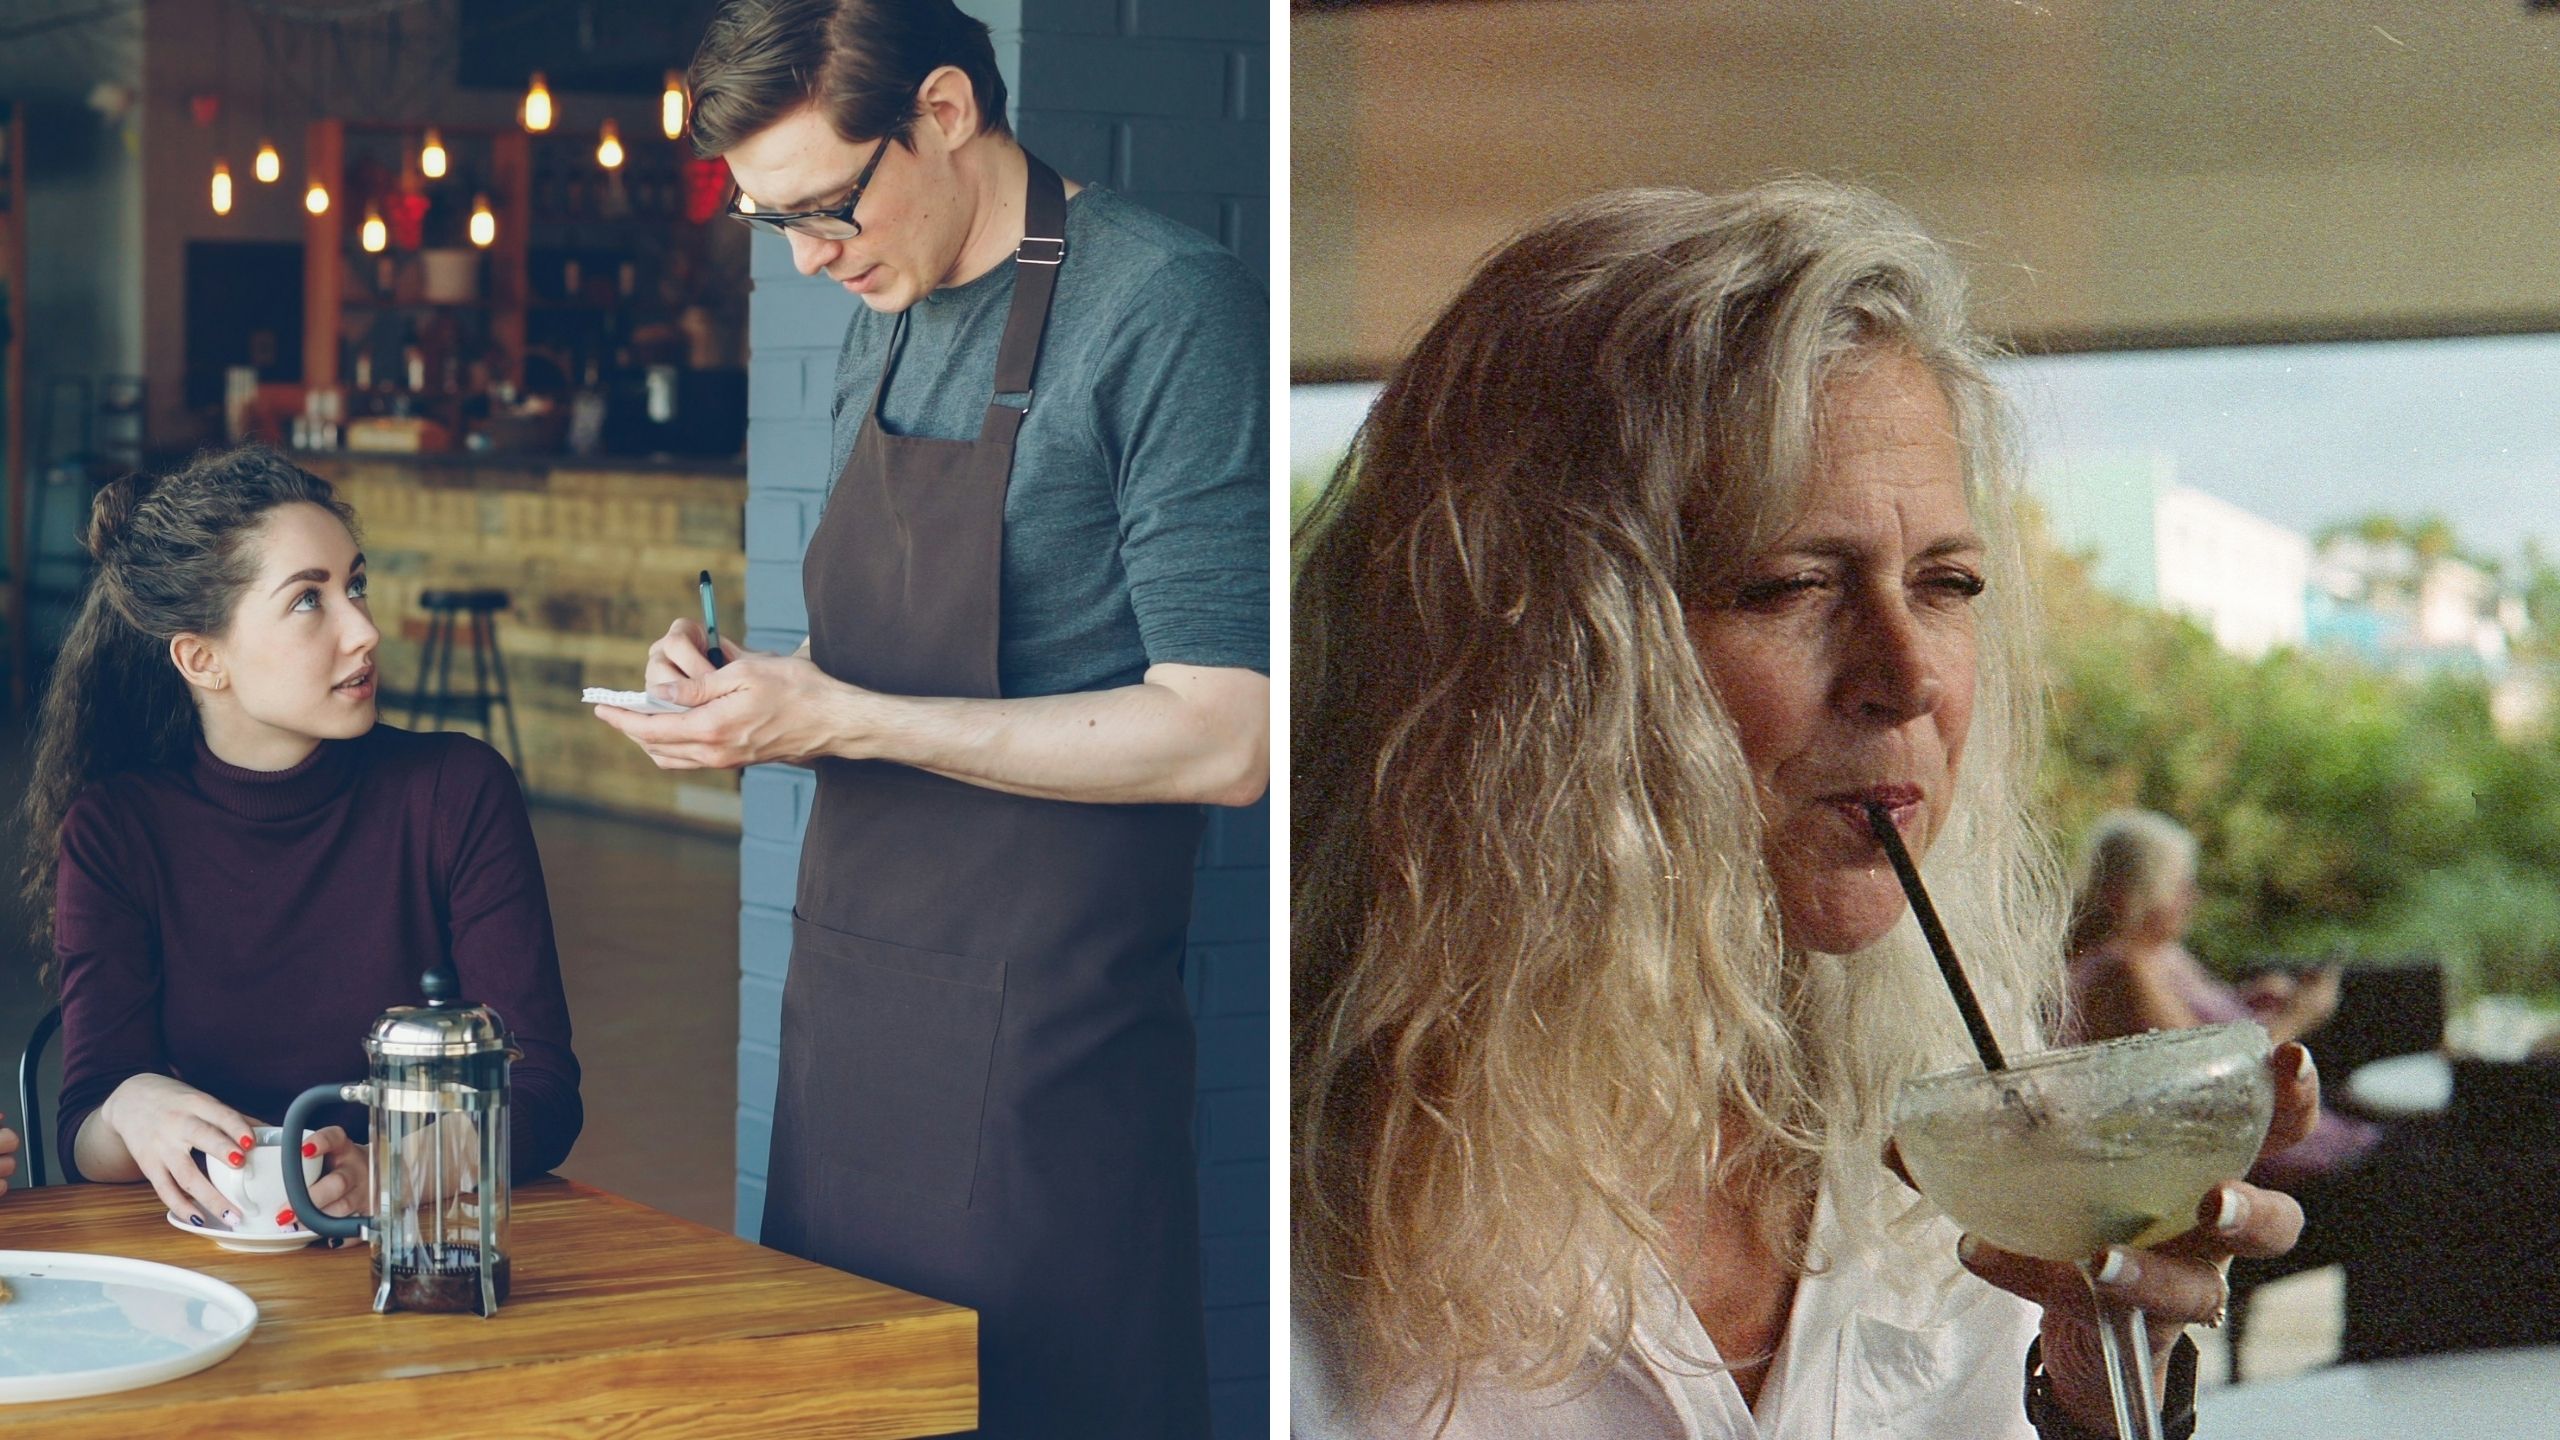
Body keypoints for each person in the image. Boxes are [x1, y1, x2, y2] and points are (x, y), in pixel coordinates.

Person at [1292, 182, 2318, 1438]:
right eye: (1787, 584)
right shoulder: (1244, 1192)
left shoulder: (1960, 1152)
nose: (1911, 677)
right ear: (1525, 661)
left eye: (1944, 584)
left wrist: (2091, 1402)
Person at [594, 3, 1267, 1435]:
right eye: (770, 224)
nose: (812, 258)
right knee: (842, 1396)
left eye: (829, 208)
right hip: (851, 1013)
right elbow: (897, 666)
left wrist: (841, 716)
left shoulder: (1164, 305)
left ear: (946, 111)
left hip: (1049, 1036)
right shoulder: (877, 321)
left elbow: (1227, 735)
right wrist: (746, 687)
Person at [18, 445, 580, 1229]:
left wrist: (387, 1172)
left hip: (415, 1252)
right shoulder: (117, 830)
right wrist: (131, 1105)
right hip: (212, 1268)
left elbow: (542, 1092)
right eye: (309, 601)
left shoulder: (456, 790)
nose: (365, 630)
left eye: (355, 585)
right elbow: (84, 1132)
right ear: (201, 659)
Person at [2065, 809, 2379, 1192]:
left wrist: (2246, 1000)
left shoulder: (2161, 953)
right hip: (2267, 1163)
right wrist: (2300, 1016)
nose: (2192, 898)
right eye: (2181, 886)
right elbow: (2211, 1082)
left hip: (2304, 1141)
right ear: (2137, 893)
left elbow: (2190, 1028)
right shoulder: (2123, 970)